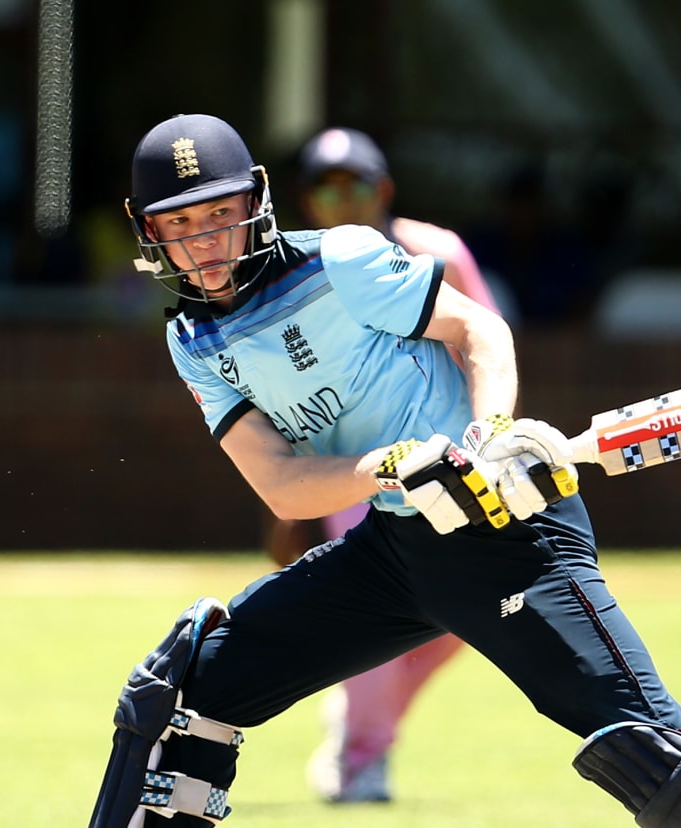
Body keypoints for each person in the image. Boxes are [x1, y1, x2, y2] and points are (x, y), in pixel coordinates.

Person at [88, 113, 681, 828]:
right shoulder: (192, 338)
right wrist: (389, 466)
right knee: (186, 694)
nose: (205, 242)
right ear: (149, 232)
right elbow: (282, 482)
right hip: (395, 554)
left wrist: (490, 433)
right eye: (180, 224)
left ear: (253, 201)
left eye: (218, 214)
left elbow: (479, 331)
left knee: (660, 759)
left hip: (506, 534)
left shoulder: (345, 259)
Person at [254, 126, 500, 804]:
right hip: (355, 469)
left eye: (355, 185)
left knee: (463, 615)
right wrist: (286, 493)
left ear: (383, 190)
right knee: (382, 605)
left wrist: (492, 436)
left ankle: (367, 718)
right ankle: (362, 761)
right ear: (308, 202)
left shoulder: (437, 253)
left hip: (452, 458)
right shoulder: (294, 274)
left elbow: (484, 342)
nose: (342, 199)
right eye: (326, 188)